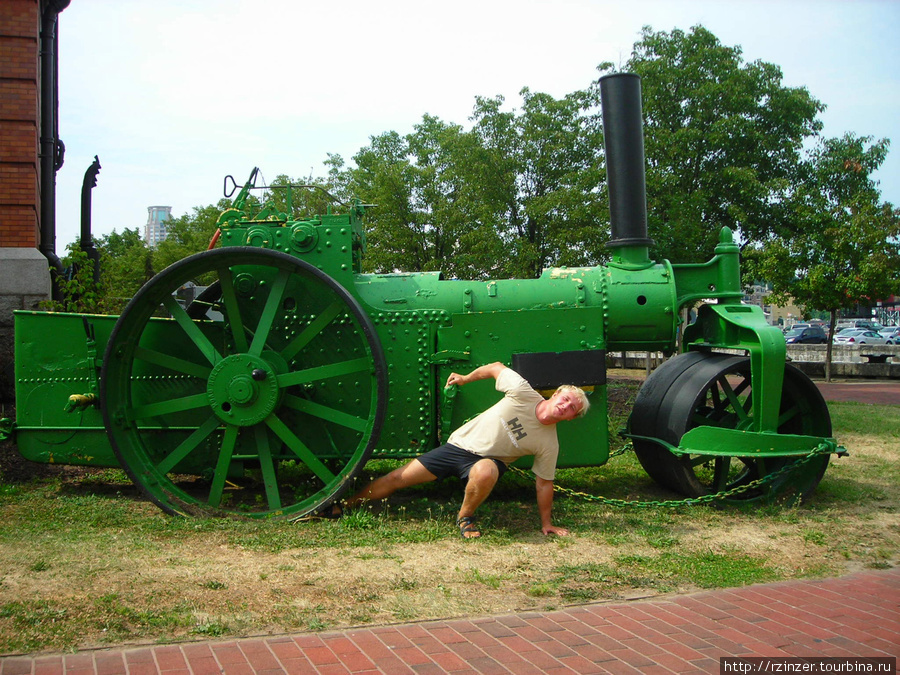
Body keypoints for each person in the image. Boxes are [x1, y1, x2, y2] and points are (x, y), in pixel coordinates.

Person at [324, 362, 590, 539]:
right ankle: (345, 505)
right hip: (458, 447)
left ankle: (465, 517)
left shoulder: (549, 443)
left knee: (486, 471)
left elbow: (544, 484)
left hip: (488, 461)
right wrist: (465, 378)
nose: (565, 406)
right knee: (396, 478)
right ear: (555, 395)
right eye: (565, 399)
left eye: (572, 409)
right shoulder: (522, 391)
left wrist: (547, 524)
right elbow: (496, 368)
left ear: (570, 418)